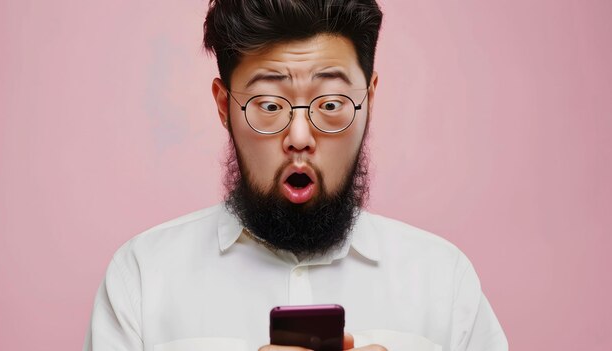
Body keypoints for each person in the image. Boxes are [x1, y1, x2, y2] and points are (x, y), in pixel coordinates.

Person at [84, 1, 508, 350]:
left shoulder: (443, 281)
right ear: (223, 105)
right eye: (269, 105)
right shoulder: (143, 276)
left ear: (370, 99)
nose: (299, 137)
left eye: (330, 103)